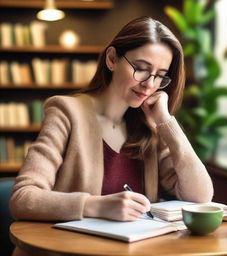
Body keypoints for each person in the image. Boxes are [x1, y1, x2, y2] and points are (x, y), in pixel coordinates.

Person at [10, 15, 213, 236]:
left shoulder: (150, 126)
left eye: (160, 76)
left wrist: (166, 121)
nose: (149, 84)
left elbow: (201, 196)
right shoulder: (66, 112)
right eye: (141, 68)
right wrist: (95, 205)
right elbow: (23, 198)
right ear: (112, 59)